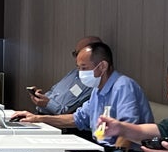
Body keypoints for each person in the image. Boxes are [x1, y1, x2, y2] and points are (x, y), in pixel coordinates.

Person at [14, 40, 152, 145]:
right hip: (100, 148)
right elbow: (78, 118)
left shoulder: (123, 86)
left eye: (84, 68)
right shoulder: (97, 89)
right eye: (79, 68)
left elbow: (127, 131)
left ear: (102, 66)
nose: (80, 73)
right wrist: (37, 119)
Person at [27, 36, 103, 115]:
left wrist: (47, 104)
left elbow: (70, 114)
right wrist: (41, 97)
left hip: (55, 120)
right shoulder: (74, 72)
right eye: (75, 54)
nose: (77, 58)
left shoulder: (93, 82)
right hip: (39, 114)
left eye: (80, 54)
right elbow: (53, 91)